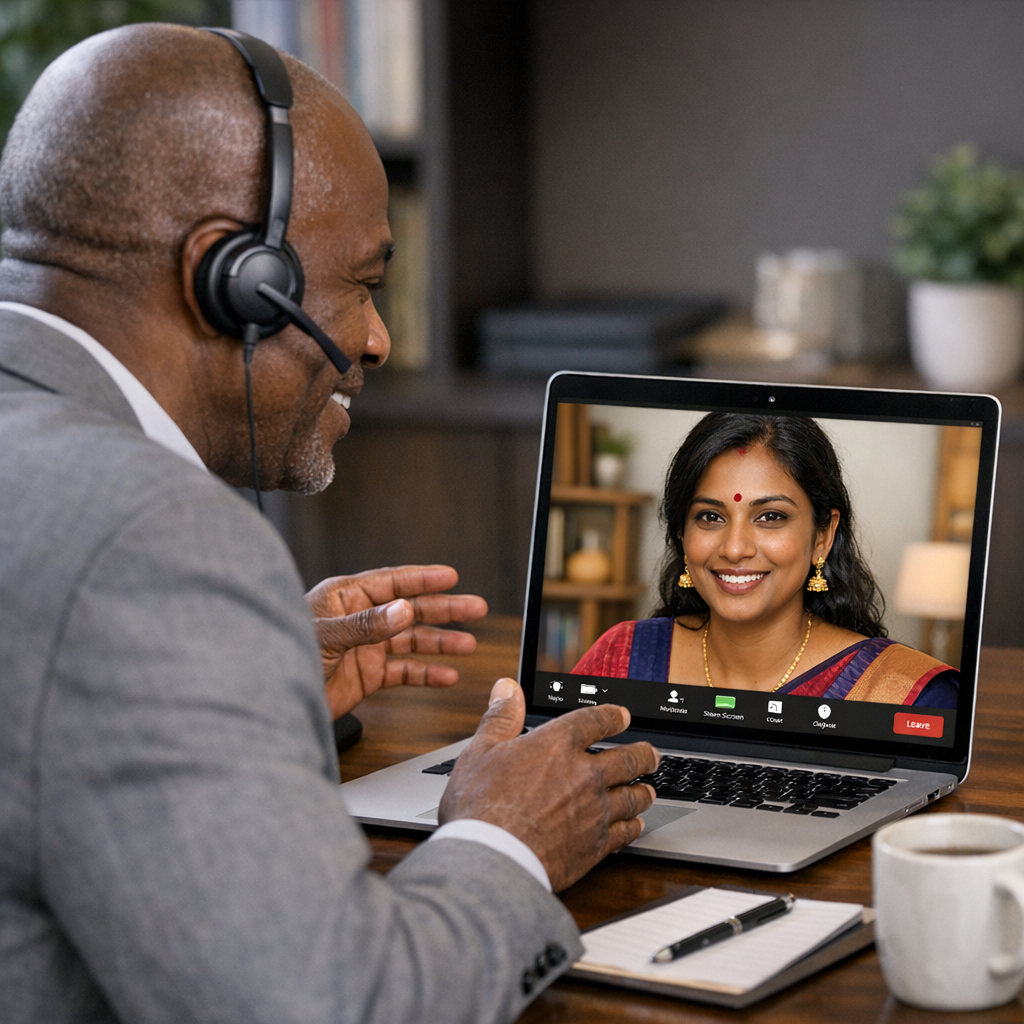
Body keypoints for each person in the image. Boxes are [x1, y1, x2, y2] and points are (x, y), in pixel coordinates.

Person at [0, 25, 660, 1024]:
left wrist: (234, 679)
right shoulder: (150, 541)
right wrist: (508, 835)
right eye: (361, 281)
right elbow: (337, 1005)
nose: (378, 339)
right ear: (237, 281)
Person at [573, 413, 959, 708]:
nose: (735, 548)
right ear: (681, 534)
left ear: (822, 536)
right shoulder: (621, 658)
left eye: (770, 517)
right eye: (710, 516)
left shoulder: (906, 694)